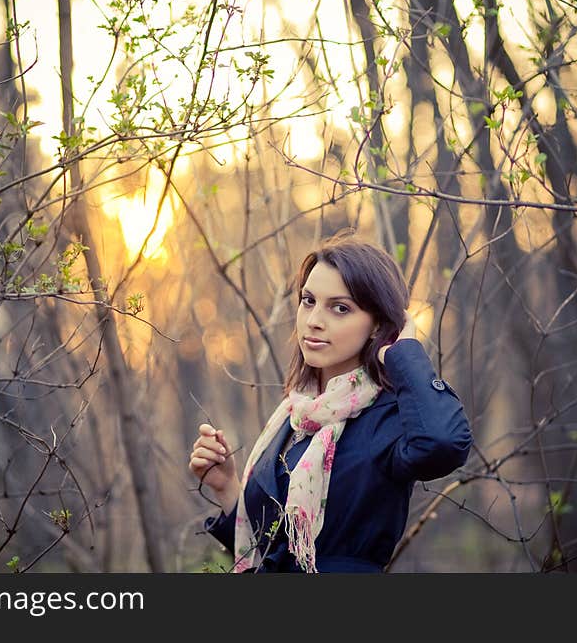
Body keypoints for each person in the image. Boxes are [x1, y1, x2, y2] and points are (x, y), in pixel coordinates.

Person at [188, 232, 473, 572]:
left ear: (377, 325)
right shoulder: (294, 417)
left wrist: (405, 355)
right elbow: (273, 547)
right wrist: (228, 488)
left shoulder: (389, 418)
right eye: (308, 301)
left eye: (340, 308)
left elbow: (444, 444)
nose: (314, 321)